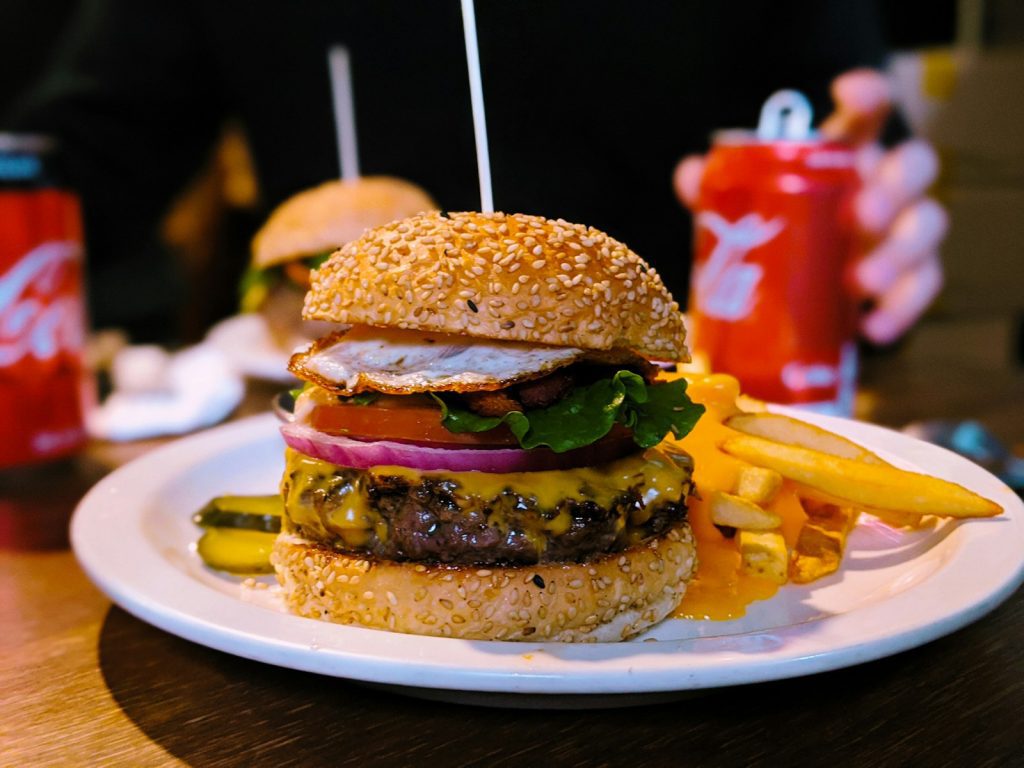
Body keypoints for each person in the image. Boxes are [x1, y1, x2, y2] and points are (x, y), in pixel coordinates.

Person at [5, 1, 944, 346]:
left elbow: (849, 129)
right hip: (316, 391)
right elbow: (74, 162)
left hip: (699, 372)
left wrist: (865, 240)